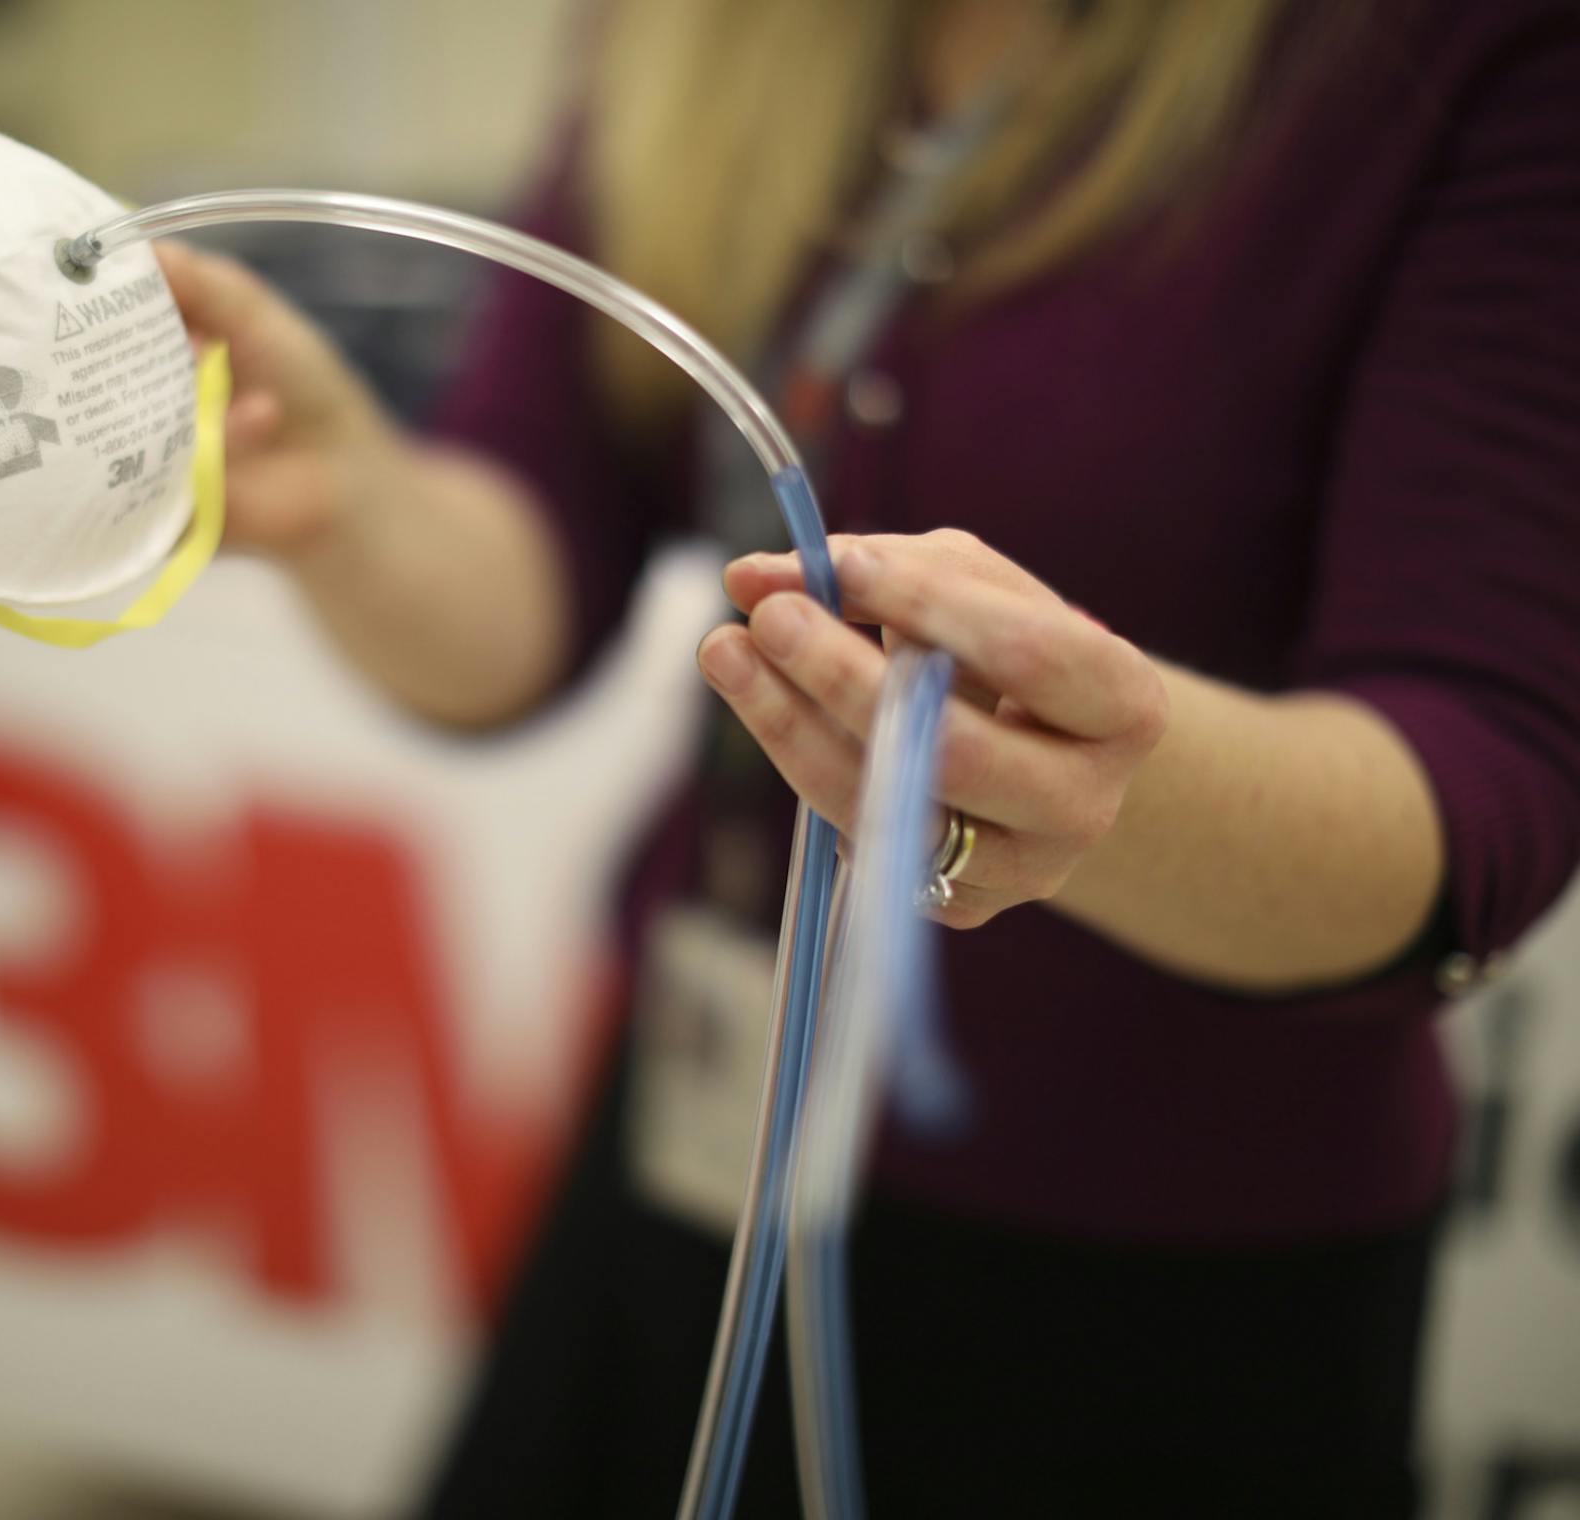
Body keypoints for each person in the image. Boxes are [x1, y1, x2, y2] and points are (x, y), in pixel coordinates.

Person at [155, 0, 1580, 1512]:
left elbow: (1483, 792)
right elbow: (533, 579)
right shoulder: (697, 34)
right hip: (694, 1147)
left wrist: (1107, 788)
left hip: (1161, 1287)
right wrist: (346, 503)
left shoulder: (1465, 58)